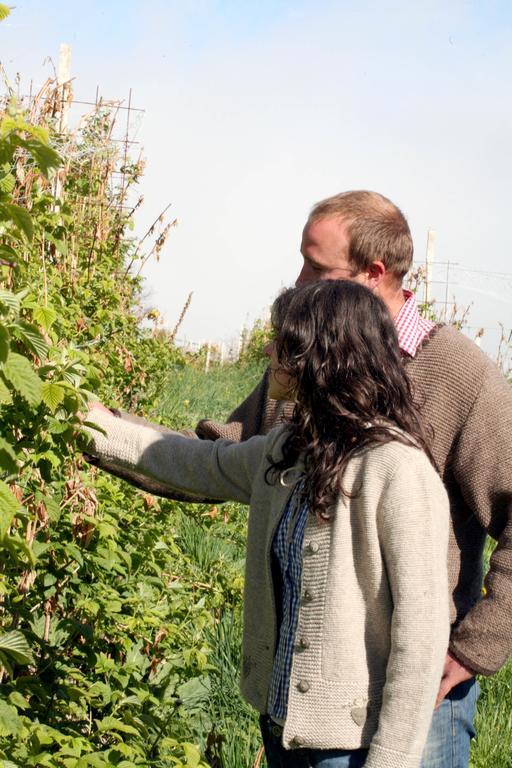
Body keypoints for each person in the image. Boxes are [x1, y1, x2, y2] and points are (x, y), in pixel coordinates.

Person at [90, 190, 512, 768]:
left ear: (372, 274)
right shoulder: (305, 390)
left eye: (317, 267)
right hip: (302, 704)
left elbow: (422, 619)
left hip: (414, 702)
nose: (300, 278)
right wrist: (86, 421)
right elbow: (219, 459)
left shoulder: (453, 380)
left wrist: (475, 647)